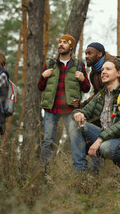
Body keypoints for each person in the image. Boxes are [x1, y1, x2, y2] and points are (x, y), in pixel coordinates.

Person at [71, 60, 120, 173]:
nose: (103, 72)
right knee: (75, 125)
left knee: (105, 147)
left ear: (119, 73)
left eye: (108, 69)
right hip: (104, 135)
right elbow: (84, 111)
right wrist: (78, 113)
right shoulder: (101, 95)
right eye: (102, 70)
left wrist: (100, 140)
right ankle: (80, 172)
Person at [38, 34, 91, 171]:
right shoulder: (50, 63)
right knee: (48, 140)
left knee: (75, 139)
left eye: (65, 43)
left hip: (70, 109)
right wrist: (43, 76)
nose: (61, 45)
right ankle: (45, 171)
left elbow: (86, 88)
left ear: (71, 47)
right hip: (51, 108)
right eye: (59, 42)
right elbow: (40, 87)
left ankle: (80, 171)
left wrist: (82, 79)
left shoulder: (79, 65)